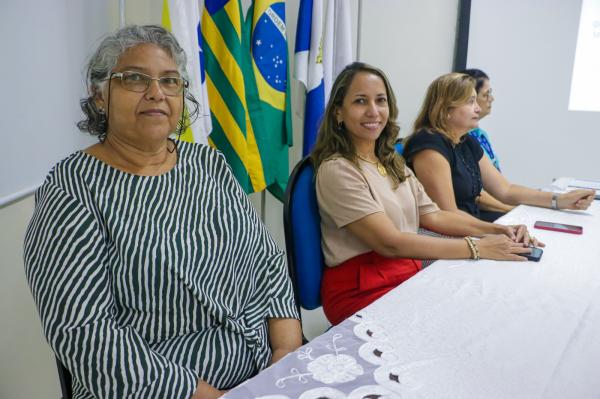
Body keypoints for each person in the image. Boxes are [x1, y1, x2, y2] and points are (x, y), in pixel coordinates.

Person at [24, 25, 301, 399]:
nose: (157, 93)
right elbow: (86, 334)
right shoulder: (72, 190)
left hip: (263, 372)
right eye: (135, 78)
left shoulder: (209, 163)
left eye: (170, 81)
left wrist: (285, 354)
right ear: (99, 95)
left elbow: (267, 262)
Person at [312, 62, 540, 326]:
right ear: (339, 112)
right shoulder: (337, 170)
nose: (373, 111)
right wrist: (477, 247)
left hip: (404, 273)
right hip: (362, 289)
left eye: (381, 101)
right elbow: (390, 243)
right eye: (361, 101)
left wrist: (497, 231)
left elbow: (435, 216)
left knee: (491, 304)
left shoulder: (390, 162)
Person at [403, 72, 594, 223]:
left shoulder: (466, 140)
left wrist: (559, 200)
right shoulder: (428, 144)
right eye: (470, 102)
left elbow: (506, 190)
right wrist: (500, 231)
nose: (478, 108)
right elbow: (448, 214)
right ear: (445, 110)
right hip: (451, 235)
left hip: (471, 225)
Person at [461, 68, 514, 220]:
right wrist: (509, 208)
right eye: (486, 94)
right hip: (481, 211)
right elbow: (476, 192)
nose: (492, 98)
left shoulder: (480, 135)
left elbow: (503, 187)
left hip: (496, 201)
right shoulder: (464, 139)